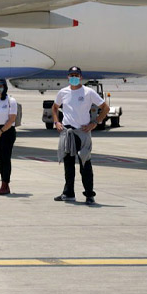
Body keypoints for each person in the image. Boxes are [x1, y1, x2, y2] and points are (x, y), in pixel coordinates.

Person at [52, 66, 109, 205]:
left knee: (85, 164)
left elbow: (105, 108)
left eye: (76, 75)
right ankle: (68, 193)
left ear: (81, 77)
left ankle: (89, 194)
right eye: (71, 75)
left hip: (82, 132)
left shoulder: (88, 92)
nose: (74, 77)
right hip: (67, 132)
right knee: (68, 165)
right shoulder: (63, 92)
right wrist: (56, 122)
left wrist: (95, 122)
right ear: (67, 77)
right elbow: (54, 107)